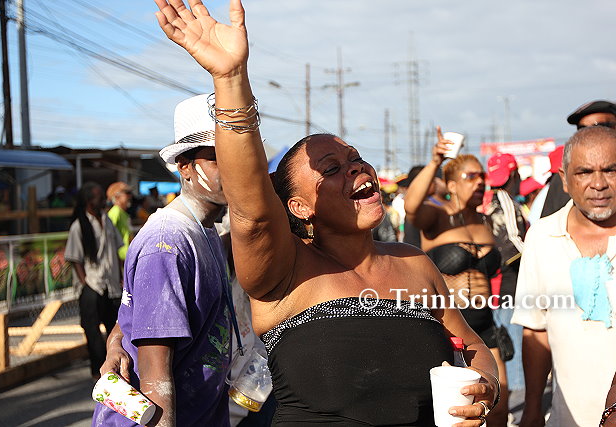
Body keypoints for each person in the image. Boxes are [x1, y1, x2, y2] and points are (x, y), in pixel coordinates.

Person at [152, 1, 500, 425]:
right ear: (298, 207)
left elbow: (472, 345)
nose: (355, 168)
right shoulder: (284, 271)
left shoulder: (414, 263)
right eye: (330, 169)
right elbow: (253, 209)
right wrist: (230, 79)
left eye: (355, 158)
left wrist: (487, 386)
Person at [92, 95, 233, 426]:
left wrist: (116, 339)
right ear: (184, 165)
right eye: (218, 158)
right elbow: (156, 378)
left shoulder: (207, 231)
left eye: (238, 155)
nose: (233, 168)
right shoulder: (167, 244)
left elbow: (138, 315)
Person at [512, 126, 616, 426]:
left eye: (610, 170)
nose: (599, 184)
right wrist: (533, 407)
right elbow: (536, 329)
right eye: (584, 172)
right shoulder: (542, 237)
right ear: (565, 181)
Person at [404, 133, 509, 426]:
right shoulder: (437, 217)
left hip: (485, 323)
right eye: (471, 176)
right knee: (454, 410)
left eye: (482, 176)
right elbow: (411, 205)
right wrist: (435, 162)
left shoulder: (484, 220)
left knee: (498, 404)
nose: (480, 182)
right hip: (449, 326)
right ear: (451, 185)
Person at [64, 181, 123, 379]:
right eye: (99, 198)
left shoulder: (107, 220)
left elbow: (116, 250)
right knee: (92, 329)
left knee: (114, 326)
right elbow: (75, 258)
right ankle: (98, 369)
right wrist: (85, 283)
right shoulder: (78, 227)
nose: (104, 201)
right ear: (89, 201)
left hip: (111, 283)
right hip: (92, 284)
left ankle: (114, 366)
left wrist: (121, 275)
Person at [485, 153, 527, 404]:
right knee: (514, 345)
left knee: (502, 346)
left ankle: (508, 403)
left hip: (491, 284)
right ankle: (516, 404)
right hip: (508, 283)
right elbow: (513, 242)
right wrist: (536, 261)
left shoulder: (486, 201)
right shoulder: (505, 200)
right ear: (514, 174)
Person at [106, 181, 133, 261]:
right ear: (117, 196)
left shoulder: (122, 213)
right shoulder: (115, 212)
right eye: (127, 193)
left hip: (125, 256)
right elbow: (108, 234)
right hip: (120, 258)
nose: (130, 196)